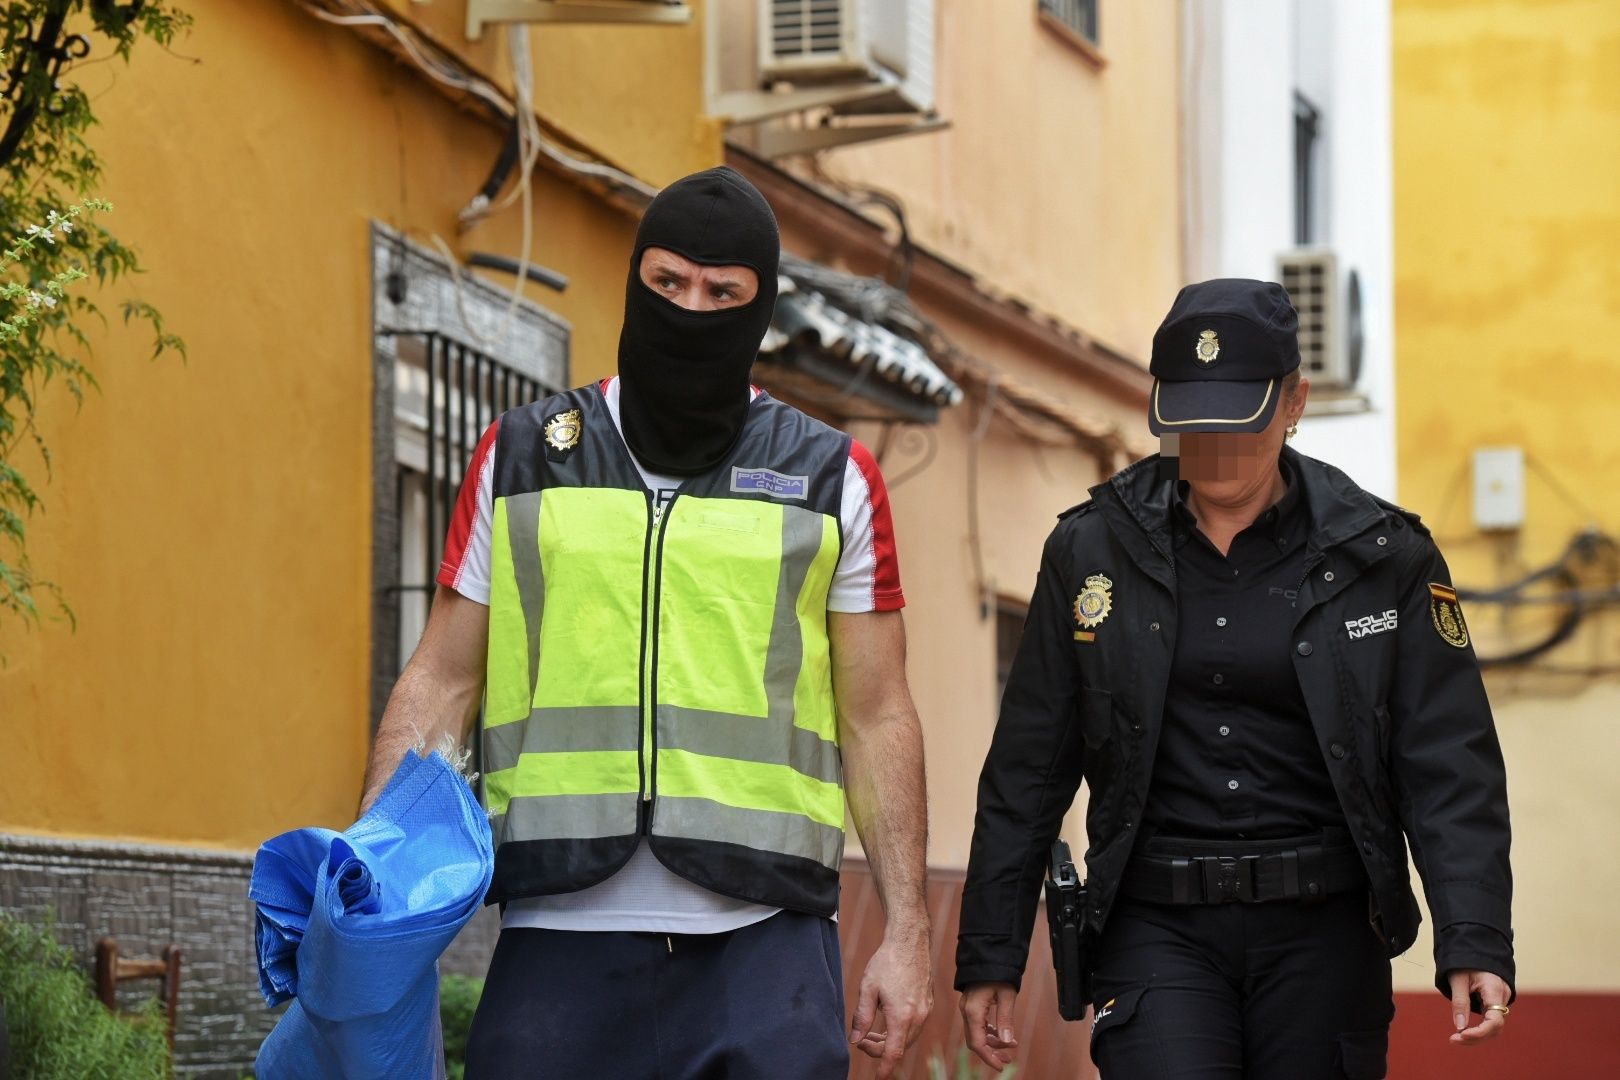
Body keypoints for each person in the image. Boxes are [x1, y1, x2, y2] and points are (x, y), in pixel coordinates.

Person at [361, 166, 932, 1080]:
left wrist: (907, 930)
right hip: (558, 943)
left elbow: (877, 716)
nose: (689, 309)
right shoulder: (519, 457)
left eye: (722, 293)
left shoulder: (834, 480)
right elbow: (441, 679)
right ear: (632, 280)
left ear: (760, 308)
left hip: (764, 947)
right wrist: (374, 873)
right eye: (666, 283)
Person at [954, 279, 1513, 1078]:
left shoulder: (1384, 557)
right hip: (1154, 928)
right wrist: (991, 953)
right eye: (1192, 422)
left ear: (1294, 403)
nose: (1213, 446)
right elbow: (1027, 770)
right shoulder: (1088, 553)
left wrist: (1475, 935)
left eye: (1237, 421)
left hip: (1323, 934)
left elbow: (1447, 764)